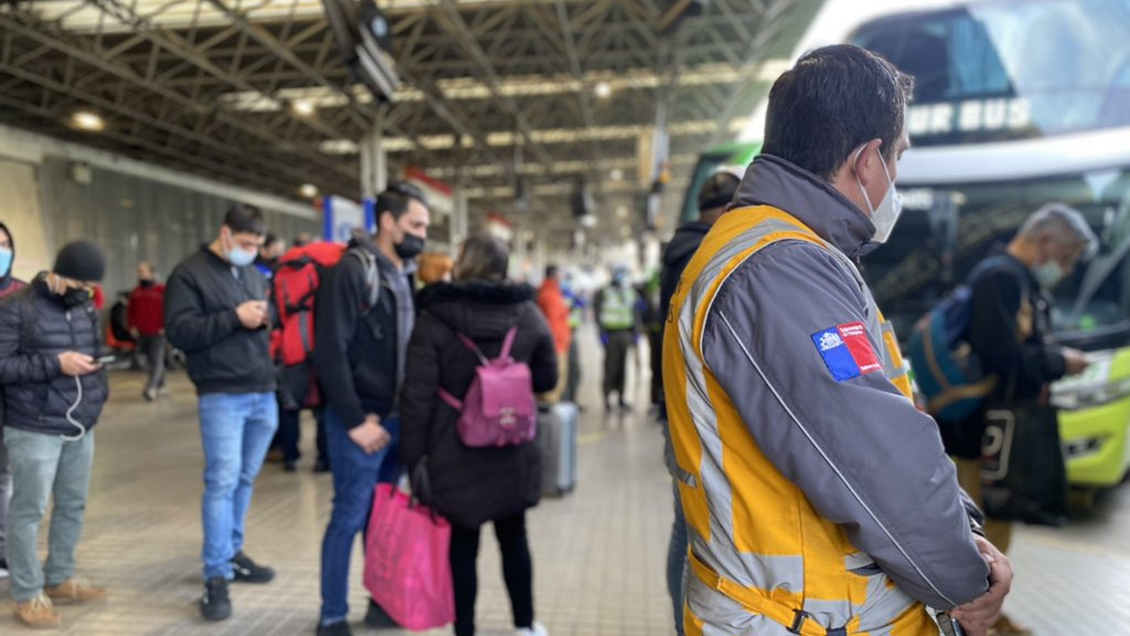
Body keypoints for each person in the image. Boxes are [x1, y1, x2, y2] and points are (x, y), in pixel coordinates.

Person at [664, 45, 1012, 636]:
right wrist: (966, 576)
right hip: (802, 619)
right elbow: (875, 458)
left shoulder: (791, 256)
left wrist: (964, 526)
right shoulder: (777, 271)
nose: (897, 177)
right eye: (898, 156)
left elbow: (879, 420)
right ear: (868, 160)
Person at [400, 234, 558, 636]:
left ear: (463, 263)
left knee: (461, 546)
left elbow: (415, 398)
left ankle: (464, 630)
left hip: (453, 452)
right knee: (514, 538)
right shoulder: (528, 313)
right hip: (512, 445)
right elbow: (547, 378)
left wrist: (414, 460)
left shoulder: (434, 319)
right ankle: (525, 625)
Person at [950, 203, 1095, 636]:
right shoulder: (1001, 277)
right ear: (1046, 242)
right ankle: (972, 618)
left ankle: (989, 614)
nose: (1065, 270)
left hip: (1000, 433)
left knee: (996, 524)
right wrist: (1059, 361)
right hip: (978, 432)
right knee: (977, 531)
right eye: (1066, 257)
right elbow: (1002, 356)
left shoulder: (1018, 280)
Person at [313, 183, 430, 636]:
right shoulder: (352, 270)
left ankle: (380, 602)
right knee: (349, 515)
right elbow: (331, 352)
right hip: (358, 423)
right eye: (415, 225)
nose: (421, 234)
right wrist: (354, 419)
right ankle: (332, 615)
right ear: (388, 221)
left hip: (396, 419)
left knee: (383, 518)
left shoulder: (405, 273)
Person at [165, 204, 278, 622]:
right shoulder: (188, 274)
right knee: (221, 481)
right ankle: (215, 576)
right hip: (221, 395)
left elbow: (263, 314)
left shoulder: (250, 273)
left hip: (261, 391)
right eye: (246, 244)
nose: (252, 252)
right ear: (225, 234)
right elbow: (180, 331)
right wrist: (233, 317)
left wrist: (266, 317)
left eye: (257, 246)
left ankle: (231, 553)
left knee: (244, 478)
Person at [0, 240, 110, 629]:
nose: (87, 291)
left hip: (80, 424)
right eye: (81, 282)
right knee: (28, 511)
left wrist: (98, 392)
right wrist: (55, 364)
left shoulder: (84, 307)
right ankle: (27, 593)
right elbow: (3, 365)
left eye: (92, 286)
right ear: (58, 273)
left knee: (73, 504)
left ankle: (60, 576)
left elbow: (96, 351)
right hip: (34, 425)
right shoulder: (16, 308)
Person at [654, 166, 742, 636]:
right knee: (695, 533)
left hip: (677, 407)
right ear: (728, 211)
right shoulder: (708, 255)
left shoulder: (678, 253)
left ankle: (680, 621)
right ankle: (684, 623)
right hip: (696, 413)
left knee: (684, 527)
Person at [0, 222, 27, 582]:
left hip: (11, 403)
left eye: (4, 243)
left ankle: (4, 552)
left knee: (4, 478)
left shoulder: (23, 294)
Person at [594, 266, 638, 412]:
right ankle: (607, 397)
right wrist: (601, 333)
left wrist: (636, 333)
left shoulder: (630, 292)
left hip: (625, 333)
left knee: (624, 367)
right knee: (610, 367)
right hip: (610, 335)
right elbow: (598, 313)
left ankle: (621, 398)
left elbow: (635, 313)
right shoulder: (604, 292)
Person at [128, 261, 167, 401]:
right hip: (142, 332)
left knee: (156, 360)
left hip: (158, 332)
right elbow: (131, 312)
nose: (140, 273)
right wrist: (132, 326)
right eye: (139, 271)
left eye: (143, 271)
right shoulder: (136, 292)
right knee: (147, 360)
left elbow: (168, 309)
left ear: (151, 273)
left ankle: (151, 388)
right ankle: (161, 385)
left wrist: (165, 326)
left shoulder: (161, 290)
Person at [535, 265, 571, 404]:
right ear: (555, 275)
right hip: (556, 347)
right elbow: (553, 325)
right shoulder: (550, 295)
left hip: (555, 345)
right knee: (554, 388)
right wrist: (560, 344)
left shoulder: (550, 292)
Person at [561, 275, 584, 404]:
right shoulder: (558, 296)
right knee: (565, 370)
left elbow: (576, 315)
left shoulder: (572, 296)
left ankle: (572, 399)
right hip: (562, 337)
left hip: (571, 334)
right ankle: (565, 399)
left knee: (575, 370)